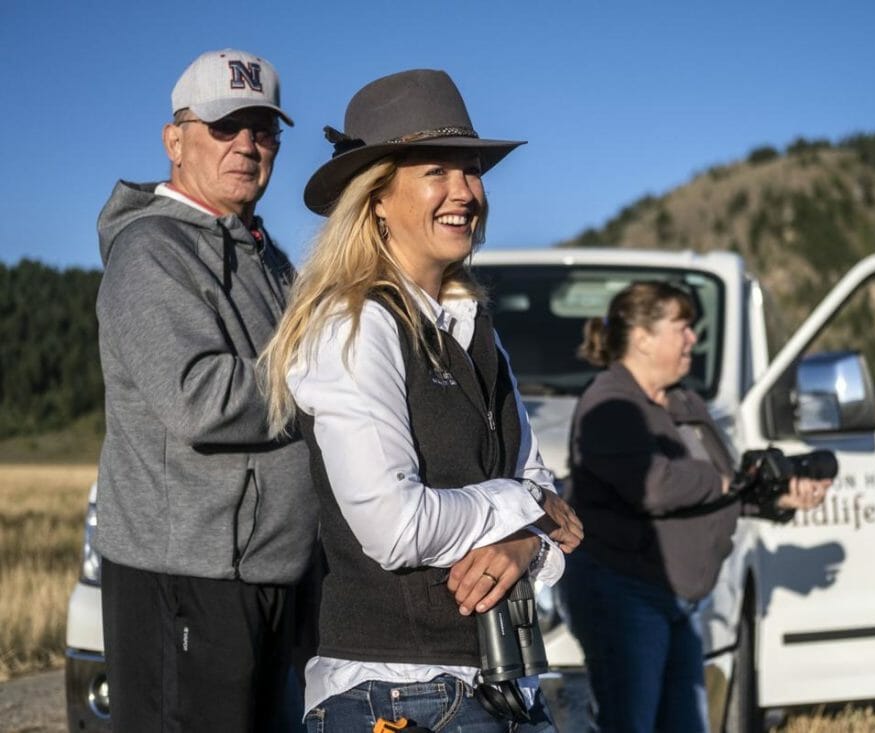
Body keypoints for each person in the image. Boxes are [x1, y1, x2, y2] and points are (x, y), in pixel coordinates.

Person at [260, 69, 584, 732]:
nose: (465, 191)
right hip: (392, 693)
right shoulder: (353, 322)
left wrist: (524, 545)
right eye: (437, 171)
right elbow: (395, 525)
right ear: (376, 200)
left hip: (499, 685)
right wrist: (524, 510)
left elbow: (546, 496)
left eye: (471, 170)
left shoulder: (474, 326)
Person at [94, 48, 319, 731]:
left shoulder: (267, 256)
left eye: (264, 129)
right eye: (225, 126)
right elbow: (201, 397)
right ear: (175, 140)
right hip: (187, 579)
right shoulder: (151, 251)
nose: (247, 145)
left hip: (275, 575)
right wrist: (327, 376)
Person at [559, 281, 830, 733]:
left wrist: (776, 496)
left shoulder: (685, 401)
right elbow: (655, 486)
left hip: (676, 600)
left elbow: (719, 489)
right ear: (643, 337)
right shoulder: (608, 404)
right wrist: (728, 480)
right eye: (682, 327)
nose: (692, 339)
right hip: (623, 596)